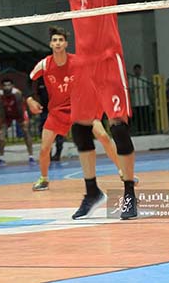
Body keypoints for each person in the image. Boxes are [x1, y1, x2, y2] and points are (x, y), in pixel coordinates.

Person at [33, 0, 137, 220]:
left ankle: (129, 193)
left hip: (109, 60)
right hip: (85, 67)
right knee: (79, 128)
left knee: (118, 127)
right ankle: (92, 191)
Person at [27, 27, 135, 191]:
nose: (58, 43)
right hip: (57, 111)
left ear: (66, 44)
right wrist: (30, 99)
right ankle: (44, 179)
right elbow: (30, 80)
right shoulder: (45, 64)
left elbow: (94, 76)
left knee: (103, 136)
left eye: (61, 40)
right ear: (50, 44)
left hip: (80, 108)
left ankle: (122, 172)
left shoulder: (78, 62)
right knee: (44, 148)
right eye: (55, 40)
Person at [0, 78, 34, 167]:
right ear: (1, 87)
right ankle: (1, 158)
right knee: (1, 135)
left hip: (19, 113)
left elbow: (20, 107)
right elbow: (1, 107)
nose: (7, 87)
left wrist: (22, 121)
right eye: (5, 85)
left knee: (25, 131)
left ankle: (31, 157)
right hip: (7, 113)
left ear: (12, 86)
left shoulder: (17, 93)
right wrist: (2, 121)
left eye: (9, 85)